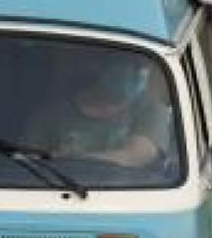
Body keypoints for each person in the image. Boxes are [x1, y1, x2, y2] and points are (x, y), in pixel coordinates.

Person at [26, 54, 173, 168]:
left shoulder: (150, 108)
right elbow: (29, 158)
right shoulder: (55, 110)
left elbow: (137, 155)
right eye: (128, 64)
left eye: (142, 67)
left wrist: (68, 160)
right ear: (101, 68)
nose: (138, 72)